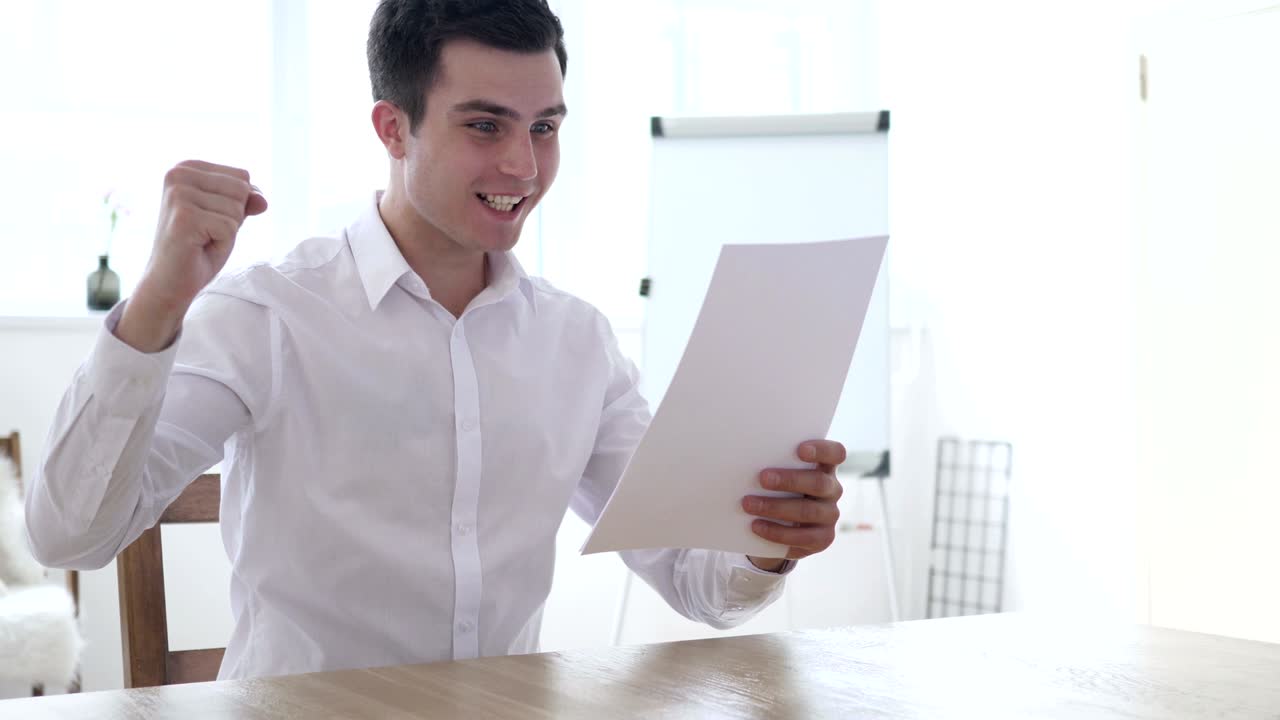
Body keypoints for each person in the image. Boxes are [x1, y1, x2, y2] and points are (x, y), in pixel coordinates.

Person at [25, 0, 846, 681]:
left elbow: (699, 583)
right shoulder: (269, 316)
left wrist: (768, 546)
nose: (524, 167)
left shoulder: (577, 344)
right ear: (393, 128)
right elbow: (69, 535)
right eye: (486, 126)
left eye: (546, 127)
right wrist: (161, 299)